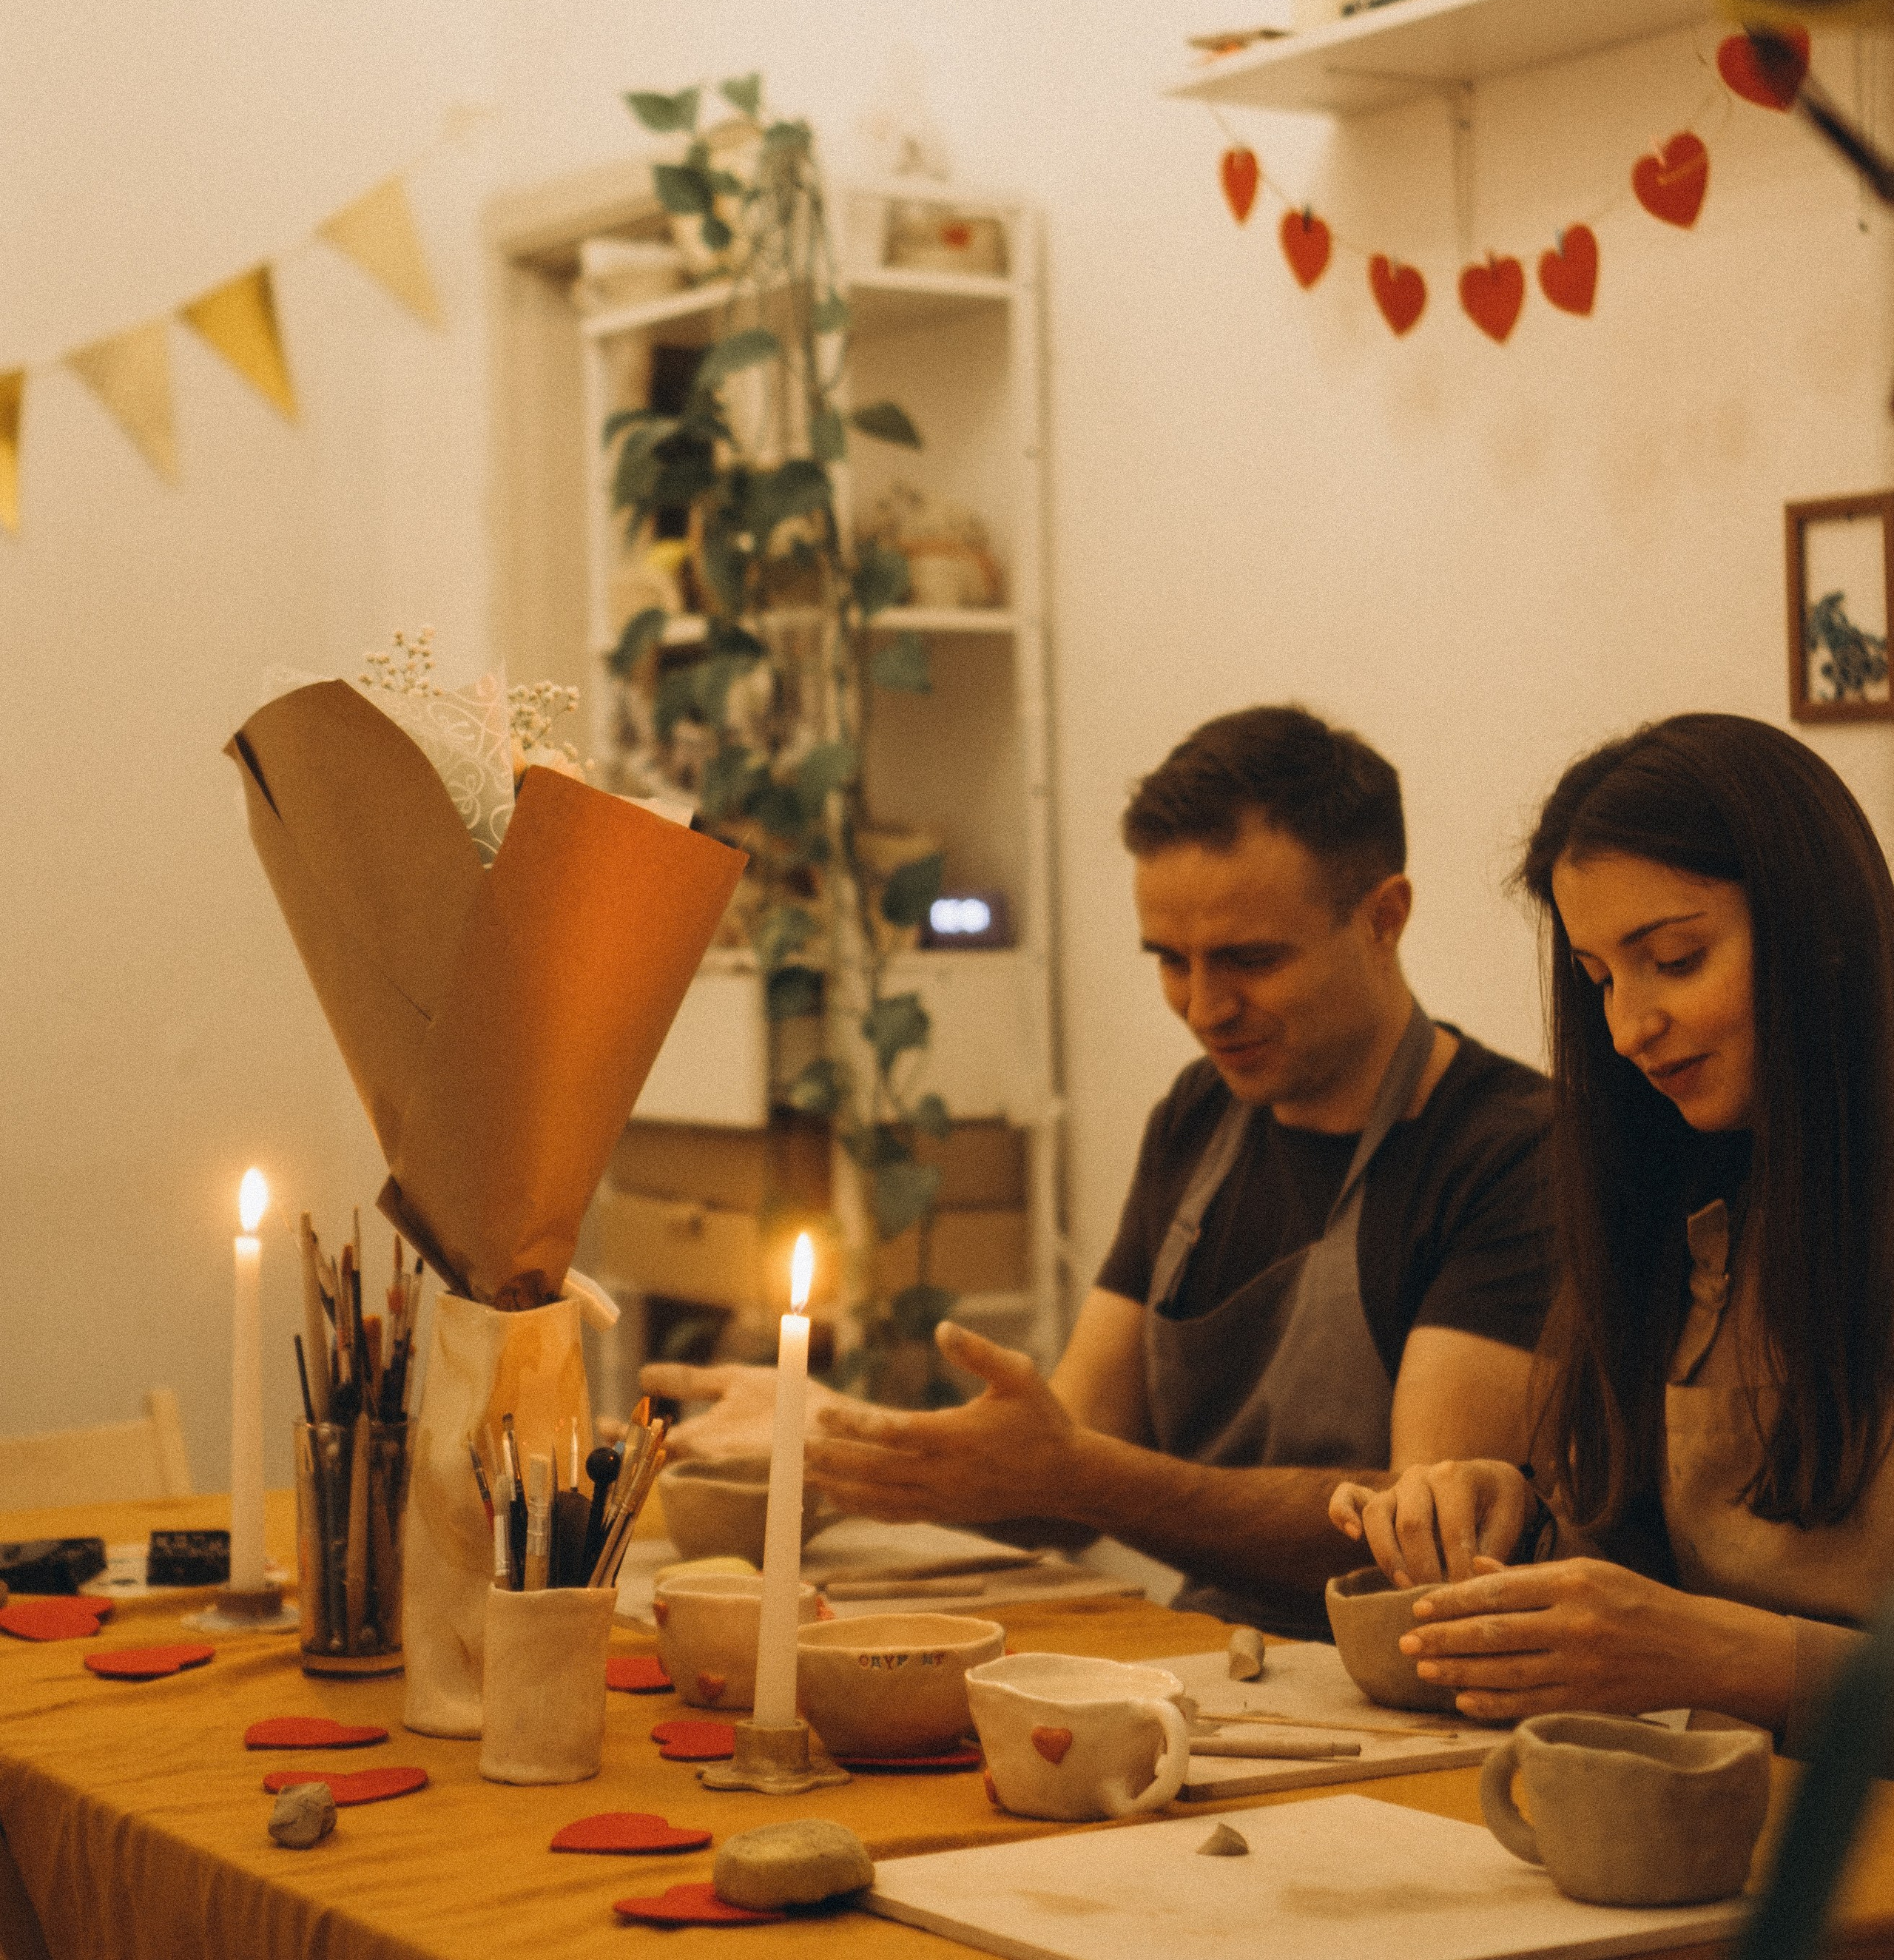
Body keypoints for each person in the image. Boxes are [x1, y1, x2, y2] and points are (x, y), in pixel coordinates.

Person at [644, 705, 1555, 1637]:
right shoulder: (1202, 1115)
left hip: (1400, 1687)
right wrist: (833, 1433)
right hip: (1212, 1652)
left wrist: (1072, 1472)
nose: (1204, 1007)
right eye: (1171, 961)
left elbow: (1422, 1542)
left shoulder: (1515, 1153)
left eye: (1249, 959)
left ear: (1384, 919)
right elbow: (1057, 1461)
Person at [1329, 714, 1894, 1756]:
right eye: (1598, 981)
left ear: (1821, 931)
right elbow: (1640, 1559)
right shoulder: (1691, 1209)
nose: (1629, 1029)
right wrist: (1524, 1523)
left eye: (1675, 960)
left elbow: (1690, 1638)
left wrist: (1729, 1658)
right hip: (1727, 1829)